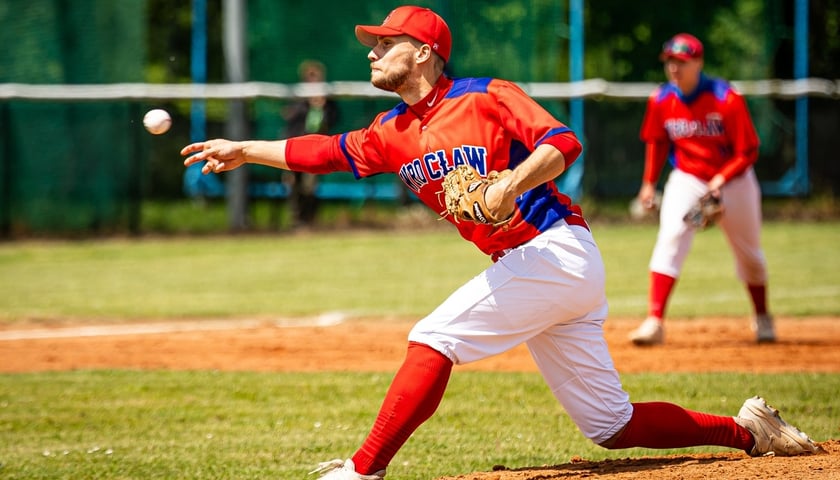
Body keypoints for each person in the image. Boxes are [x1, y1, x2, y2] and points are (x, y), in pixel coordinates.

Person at [181, 8, 819, 479]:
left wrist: (512, 182)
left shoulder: (486, 97)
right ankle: (750, 432)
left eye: (385, 42)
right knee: (612, 427)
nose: (371, 52)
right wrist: (246, 150)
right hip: (535, 268)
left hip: (555, 248)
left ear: (426, 51)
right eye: (372, 45)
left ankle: (362, 470)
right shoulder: (393, 130)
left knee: (435, 336)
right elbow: (324, 151)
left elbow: (563, 142)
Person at [628, 33, 776, 346]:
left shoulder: (726, 98)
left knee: (749, 255)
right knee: (671, 237)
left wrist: (721, 180)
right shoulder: (661, 99)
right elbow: (657, 141)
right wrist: (648, 183)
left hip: (734, 180)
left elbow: (748, 151)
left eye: (681, 61)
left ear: (698, 62)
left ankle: (762, 316)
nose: (673, 68)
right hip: (689, 177)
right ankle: (654, 321)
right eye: (669, 61)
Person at [282, 59, 340, 228]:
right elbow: (291, 124)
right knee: (293, 184)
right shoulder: (299, 100)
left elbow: (334, 120)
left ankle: (309, 220)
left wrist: (322, 107)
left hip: (316, 150)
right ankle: (297, 220)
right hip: (295, 148)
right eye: (310, 77)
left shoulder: (328, 102)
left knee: (310, 186)